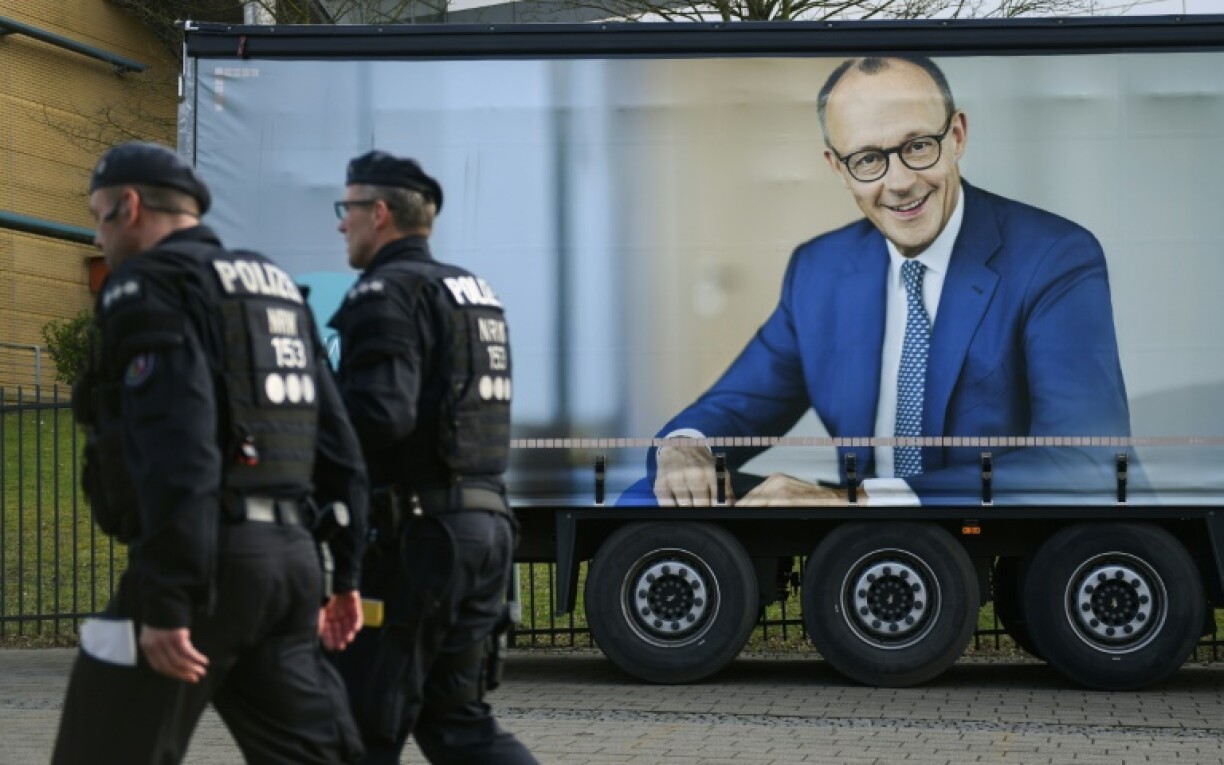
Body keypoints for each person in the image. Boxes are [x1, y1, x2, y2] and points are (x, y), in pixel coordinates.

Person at [637, 56, 1132, 507]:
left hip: (1011, 537)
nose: (899, 182)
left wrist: (856, 501)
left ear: (957, 136)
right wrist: (685, 448)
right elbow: (739, 405)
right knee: (652, 494)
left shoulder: (1054, 256)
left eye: (918, 146)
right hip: (859, 544)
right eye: (868, 159)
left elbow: (1084, 464)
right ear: (838, 168)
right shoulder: (820, 270)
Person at [53, 141, 368, 764]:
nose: (98, 234)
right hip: (291, 572)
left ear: (130, 205)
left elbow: (181, 446)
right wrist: (346, 575)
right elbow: (340, 446)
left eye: (98, 215)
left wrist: (168, 601)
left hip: (201, 571)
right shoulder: (273, 286)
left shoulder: (147, 286)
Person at [326, 150, 538, 765]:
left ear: (381, 213)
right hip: (486, 528)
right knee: (455, 721)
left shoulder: (383, 294)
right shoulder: (472, 293)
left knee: (360, 727)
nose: (343, 224)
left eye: (349, 209)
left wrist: (311, 435)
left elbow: (379, 415)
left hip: (418, 542)